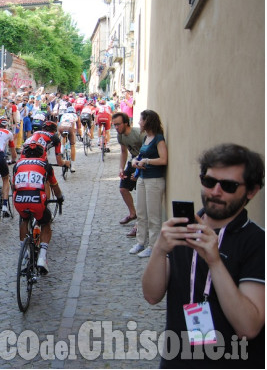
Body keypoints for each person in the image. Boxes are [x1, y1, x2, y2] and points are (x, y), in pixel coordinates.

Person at [142, 144, 265, 368]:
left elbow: (249, 327)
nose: (215, 192)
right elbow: (151, 296)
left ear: (251, 191)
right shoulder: (183, 228)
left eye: (228, 186)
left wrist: (214, 261)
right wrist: (159, 249)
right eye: (209, 182)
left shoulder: (257, 242)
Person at [11, 142, 64, 274]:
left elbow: (13, 185)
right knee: (46, 223)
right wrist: (60, 197)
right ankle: (42, 257)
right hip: (37, 199)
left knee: (24, 220)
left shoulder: (17, 164)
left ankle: (25, 255)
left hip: (19, 199)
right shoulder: (45, 165)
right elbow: (54, 186)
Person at [128, 110, 167, 258]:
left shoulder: (159, 139)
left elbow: (163, 159)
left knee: (153, 215)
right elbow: (141, 155)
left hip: (154, 180)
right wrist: (135, 160)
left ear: (148, 121)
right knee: (142, 213)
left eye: (141, 120)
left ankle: (153, 245)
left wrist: (147, 161)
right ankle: (140, 242)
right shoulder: (146, 138)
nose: (139, 122)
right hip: (143, 178)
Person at [112, 112, 146, 237]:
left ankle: (139, 225)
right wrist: (121, 168)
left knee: (142, 195)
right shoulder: (120, 136)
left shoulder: (138, 134)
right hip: (133, 162)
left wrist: (138, 172)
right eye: (114, 125)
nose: (116, 127)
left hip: (144, 164)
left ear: (126, 123)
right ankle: (133, 214)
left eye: (118, 124)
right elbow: (123, 152)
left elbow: (147, 152)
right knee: (123, 188)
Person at [58, 106, 81, 172]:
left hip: (62, 127)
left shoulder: (63, 115)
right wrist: (80, 135)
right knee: (72, 145)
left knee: (63, 137)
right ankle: (73, 165)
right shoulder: (75, 115)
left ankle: (62, 149)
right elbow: (79, 127)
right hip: (70, 127)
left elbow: (59, 123)